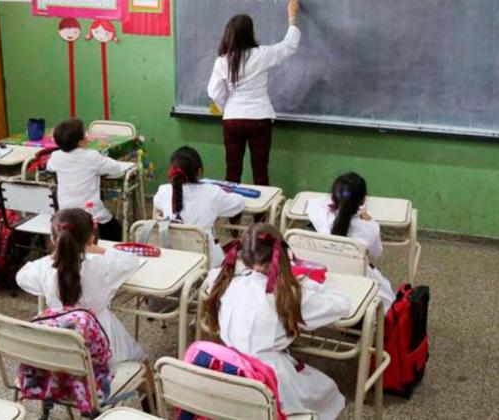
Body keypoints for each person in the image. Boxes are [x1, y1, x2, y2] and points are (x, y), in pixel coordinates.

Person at [204, 223, 350, 420]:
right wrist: (314, 285)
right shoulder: (289, 294)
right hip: (270, 378)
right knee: (326, 391)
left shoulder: (224, 278)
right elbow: (342, 305)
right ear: (281, 254)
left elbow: (211, 277)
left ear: (243, 256)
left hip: (228, 368)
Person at [16, 208, 147, 366]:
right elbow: (131, 261)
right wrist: (96, 248)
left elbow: (21, 277)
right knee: (140, 359)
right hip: (102, 342)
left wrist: (56, 255)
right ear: (91, 239)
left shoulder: (43, 269)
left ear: (52, 240)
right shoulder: (101, 265)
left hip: (60, 344)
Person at [207, 0, 301, 186]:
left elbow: (214, 91)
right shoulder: (261, 55)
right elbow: (289, 46)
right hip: (259, 118)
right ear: (250, 33)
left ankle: (233, 215)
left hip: (233, 120)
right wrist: (292, 17)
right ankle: (261, 216)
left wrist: (228, 107)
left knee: (232, 172)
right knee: (260, 171)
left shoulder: (222, 61)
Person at [307, 172, 395, 312]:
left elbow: (314, 202)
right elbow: (376, 254)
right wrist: (369, 220)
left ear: (333, 197)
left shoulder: (318, 214)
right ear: (363, 200)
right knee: (386, 292)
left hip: (321, 279)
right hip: (356, 282)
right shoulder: (369, 227)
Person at [152, 146, 245, 267]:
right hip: (207, 263)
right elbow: (239, 204)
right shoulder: (213, 192)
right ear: (199, 171)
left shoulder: (164, 191)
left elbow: (157, 203)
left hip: (173, 261)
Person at [46, 119, 129, 241]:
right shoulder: (92, 156)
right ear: (80, 142)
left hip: (65, 213)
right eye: (85, 135)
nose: (87, 137)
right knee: (115, 229)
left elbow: (49, 166)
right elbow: (116, 168)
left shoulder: (56, 156)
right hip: (90, 212)